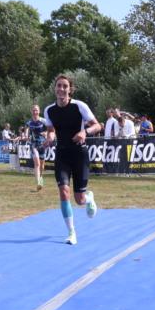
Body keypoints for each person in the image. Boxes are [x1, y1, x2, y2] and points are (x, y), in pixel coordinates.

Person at [42, 73, 102, 246]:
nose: (61, 89)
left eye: (65, 86)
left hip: (79, 155)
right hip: (62, 155)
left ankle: (89, 198)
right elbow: (51, 130)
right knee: (63, 191)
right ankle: (71, 232)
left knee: (79, 200)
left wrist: (85, 132)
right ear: (55, 89)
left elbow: (98, 125)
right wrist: (50, 138)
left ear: (70, 90)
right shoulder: (49, 110)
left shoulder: (79, 106)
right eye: (58, 86)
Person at [24, 104, 48, 190]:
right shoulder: (28, 122)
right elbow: (26, 131)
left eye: (36, 110)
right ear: (31, 111)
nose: (35, 112)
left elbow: (52, 130)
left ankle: (41, 179)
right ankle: (38, 182)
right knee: (37, 163)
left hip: (43, 144)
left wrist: (46, 133)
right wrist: (26, 136)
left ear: (39, 111)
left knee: (42, 166)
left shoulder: (44, 121)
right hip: (33, 144)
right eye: (33, 110)